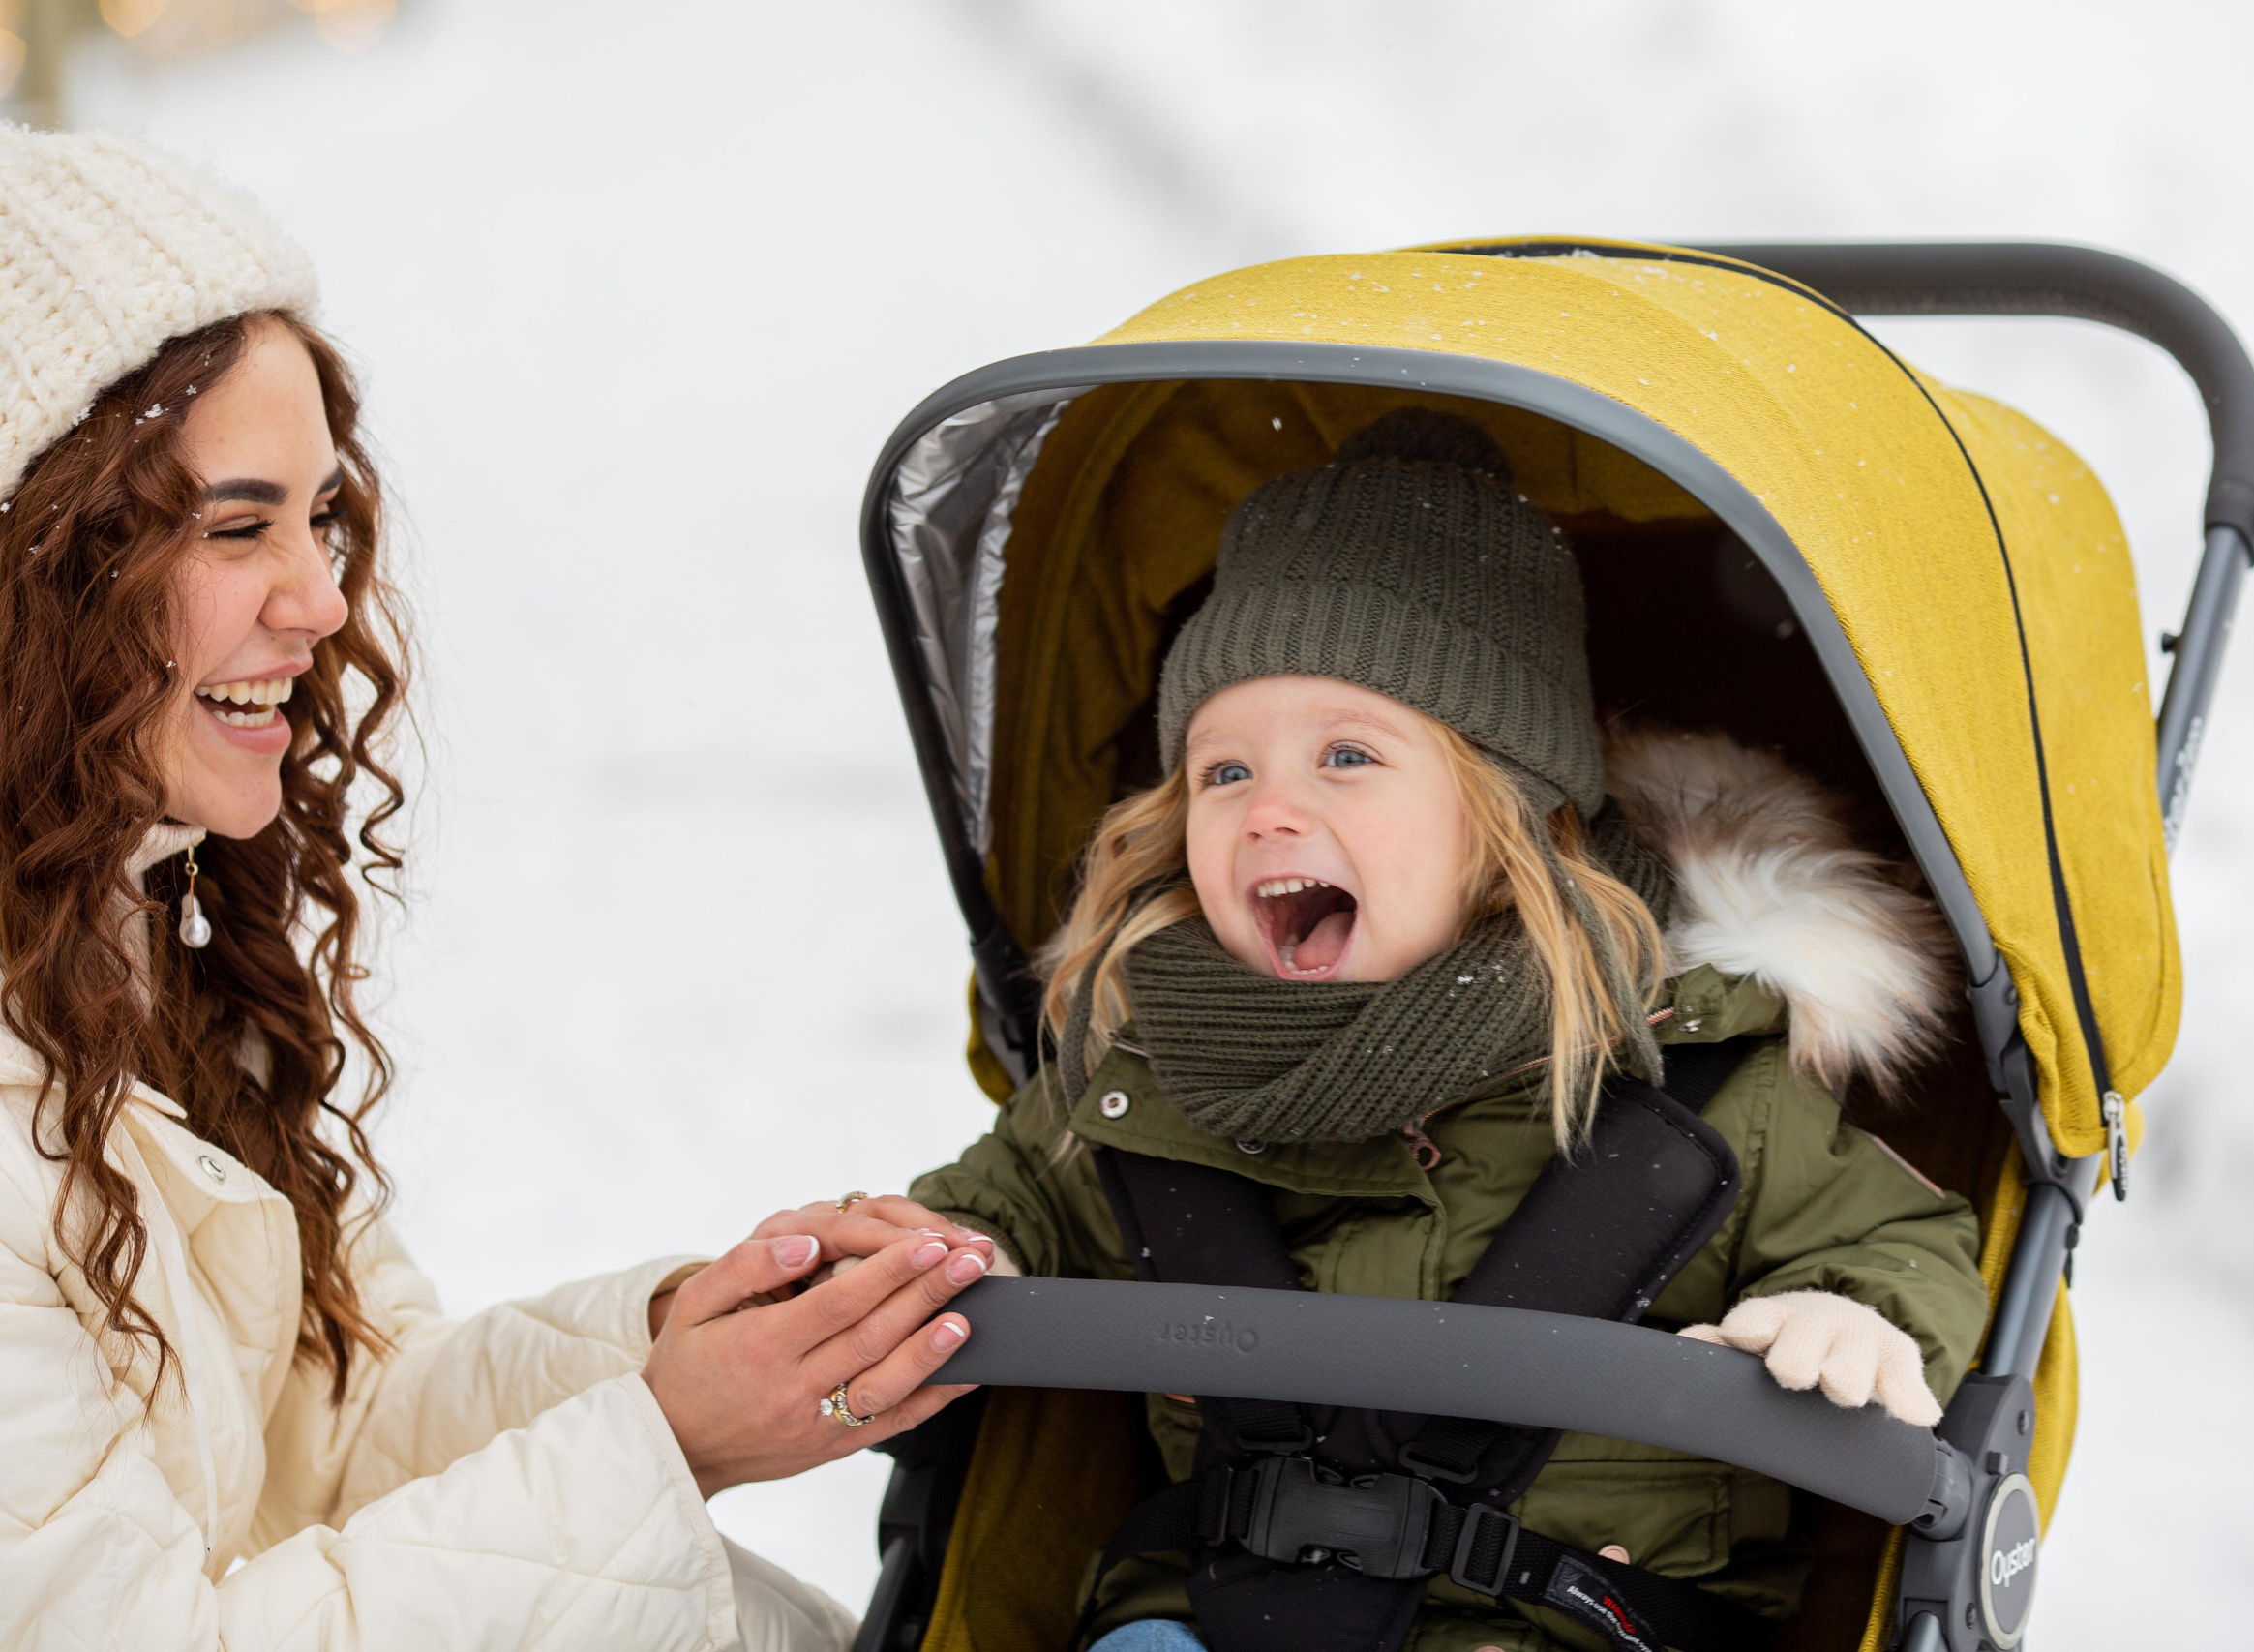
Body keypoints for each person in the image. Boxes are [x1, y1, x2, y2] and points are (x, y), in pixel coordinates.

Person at [0, 130, 987, 1651]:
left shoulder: (127, 948)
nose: (322, 602)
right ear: (37, 573)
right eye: (238, 524)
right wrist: (665, 1443)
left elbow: (335, 1441)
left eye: (322, 516)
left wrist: (686, 1344)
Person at [870, 408, 1991, 1651]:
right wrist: (920, 1259)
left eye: (1347, 755)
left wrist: (1855, 1314)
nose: (1266, 810)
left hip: (1568, 1619)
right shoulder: (1137, 1083)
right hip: (1203, 1616)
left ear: (1506, 816)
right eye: (1222, 771)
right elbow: (996, 1210)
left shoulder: (1701, 1084)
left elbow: (1903, 1239)